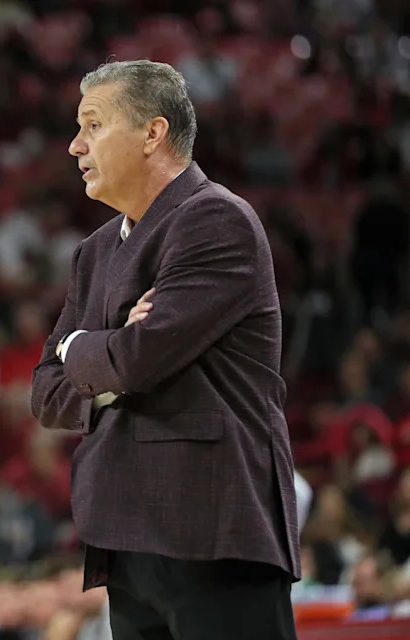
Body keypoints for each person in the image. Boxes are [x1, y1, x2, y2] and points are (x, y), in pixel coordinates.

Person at [30, 60, 300, 640]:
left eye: (94, 125)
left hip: (212, 527)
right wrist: (108, 350)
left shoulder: (214, 218)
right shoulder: (95, 251)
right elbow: (44, 392)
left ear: (153, 132)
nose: (76, 146)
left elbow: (138, 359)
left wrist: (79, 347)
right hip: (125, 535)